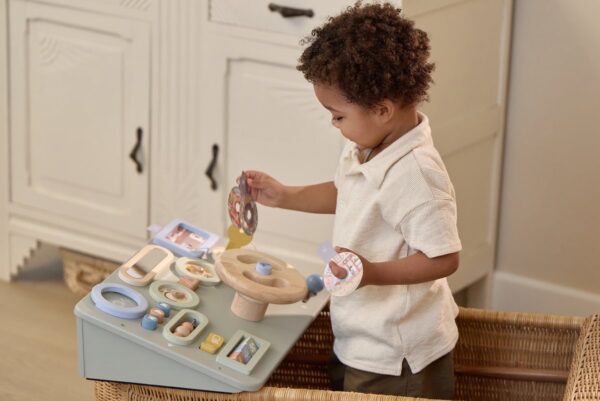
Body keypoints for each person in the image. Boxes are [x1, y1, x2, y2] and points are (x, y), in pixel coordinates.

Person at [243, 2, 461, 399]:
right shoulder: (367, 145)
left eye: (338, 115)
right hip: (359, 331)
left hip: (396, 352)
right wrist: (285, 195)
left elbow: (443, 258)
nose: (333, 123)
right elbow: (349, 194)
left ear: (382, 110)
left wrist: (371, 273)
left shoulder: (416, 176)